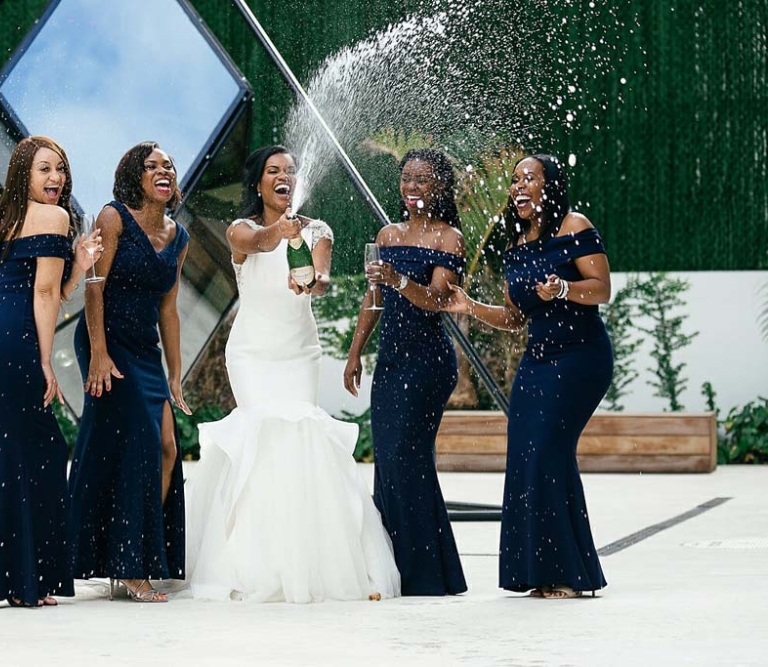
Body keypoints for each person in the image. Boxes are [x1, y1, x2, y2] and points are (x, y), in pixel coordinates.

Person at [185, 145, 400, 603]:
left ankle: (314, 561)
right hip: (252, 354)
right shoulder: (241, 229)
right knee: (260, 438)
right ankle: (247, 565)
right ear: (258, 183)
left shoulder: (317, 230)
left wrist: (310, 280)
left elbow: (321, 278)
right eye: (273, 170)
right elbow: (259, 244)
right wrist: (279, 232)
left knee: (302, 437)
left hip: (299, 353)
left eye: (290, 170)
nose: (284, 176)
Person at [443, 154, 611, 599]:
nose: (518, 185)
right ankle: (539, 572)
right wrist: (470, 307)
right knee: (526, 456)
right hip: (537, 362)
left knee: (548, 451)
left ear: (548, 186)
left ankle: (568, 574)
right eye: (515, 179)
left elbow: (601, 289)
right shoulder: (516, 244)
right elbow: (515, 318)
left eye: (528, 178)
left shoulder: (574, 226)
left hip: (581, 357)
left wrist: (563, 289)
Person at [0, 135, 101, 608]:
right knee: (35, 450)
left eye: (60, 168)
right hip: (11, 345)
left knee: (17, 452)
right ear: (24, 175)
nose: (56, 177)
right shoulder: (54, 216)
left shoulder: (15, 216)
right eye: (44, 169)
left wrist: (78, 266)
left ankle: (7, 578)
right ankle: (20, 582)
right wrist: (44, 362)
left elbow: (49, 291)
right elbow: (41, 296)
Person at [67, 142, 191, 603]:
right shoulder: (113, 217)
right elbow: (94, 286)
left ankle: (134, 550)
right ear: (135, 176)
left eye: (168, 165)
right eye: (151, 165)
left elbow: (169, 308)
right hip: (106, 339)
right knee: (139, 443)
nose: (163, 171)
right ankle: (129, 565)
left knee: (167, 447)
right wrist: (99, 354)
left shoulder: (178, 236)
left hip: (145, 348)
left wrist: (175, 373)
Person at [343, 148, 468, 596]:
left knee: (407, 459)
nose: (412, 187)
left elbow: (437, 301)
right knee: (389, 460)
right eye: (407, 178)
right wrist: (355, 352)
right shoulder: (387, 234)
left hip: (428, 362)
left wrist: (398, 279)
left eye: (422, 179)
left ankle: (426, 575)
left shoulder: (449, 238)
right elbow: (374, 299)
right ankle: (397, 568)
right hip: (391, 361)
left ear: (439, 186)